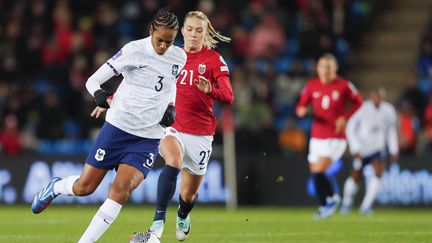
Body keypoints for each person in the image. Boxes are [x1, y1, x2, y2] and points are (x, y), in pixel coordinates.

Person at [31, 8, 187, 243]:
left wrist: (171, 106)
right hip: (117, 129)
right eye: (160, 40)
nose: (164, 46)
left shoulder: (179, 57)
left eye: (170, 42)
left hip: (148, 138)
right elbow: (93, 80)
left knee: (120, 192)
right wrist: (99, 95)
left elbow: (170, 83)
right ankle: (57, 186)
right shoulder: (133, 50)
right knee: (85, 187)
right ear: (150, 30)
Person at [130, 10, 234, 242]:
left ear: (205, 33)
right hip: (171, 127)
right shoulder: (170, 55)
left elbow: (229, 96)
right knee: (173, 160)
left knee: (188, 194)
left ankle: (183, 214)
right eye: (189, 29)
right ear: (182, 31)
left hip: (201, 132)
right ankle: (157, 225)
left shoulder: (214, 60)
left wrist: (211, 90)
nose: (193, 34)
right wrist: (114, 98)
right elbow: (143, 82)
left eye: (199, 30)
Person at [296, 53, 363, 219]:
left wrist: (345, 118)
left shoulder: (344, 85)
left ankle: (333, 198)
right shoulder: (311, 85)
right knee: (316, 173)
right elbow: (300, 106)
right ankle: (325, 204)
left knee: (319, 171)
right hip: (317, 136)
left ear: (335, 68)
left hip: (336, 136)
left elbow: (359, 102)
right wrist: (302, 111)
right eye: (322, 67)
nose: (325, 70)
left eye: (329, 67)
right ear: (317, 69)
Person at [340, 87, 398, 215]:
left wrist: (394, 149)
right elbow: (350, 127)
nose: (377, 99)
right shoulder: (362, 108)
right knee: (356, 177)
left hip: (377, 149)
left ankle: (365, 206)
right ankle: (346, 203)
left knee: (378, 174)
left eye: (379, 97)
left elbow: (391, 131)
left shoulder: (389, 110)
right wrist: (355, 148)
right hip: (361, 149)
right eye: (375, 96)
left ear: (383, 97)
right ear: (371, 96)